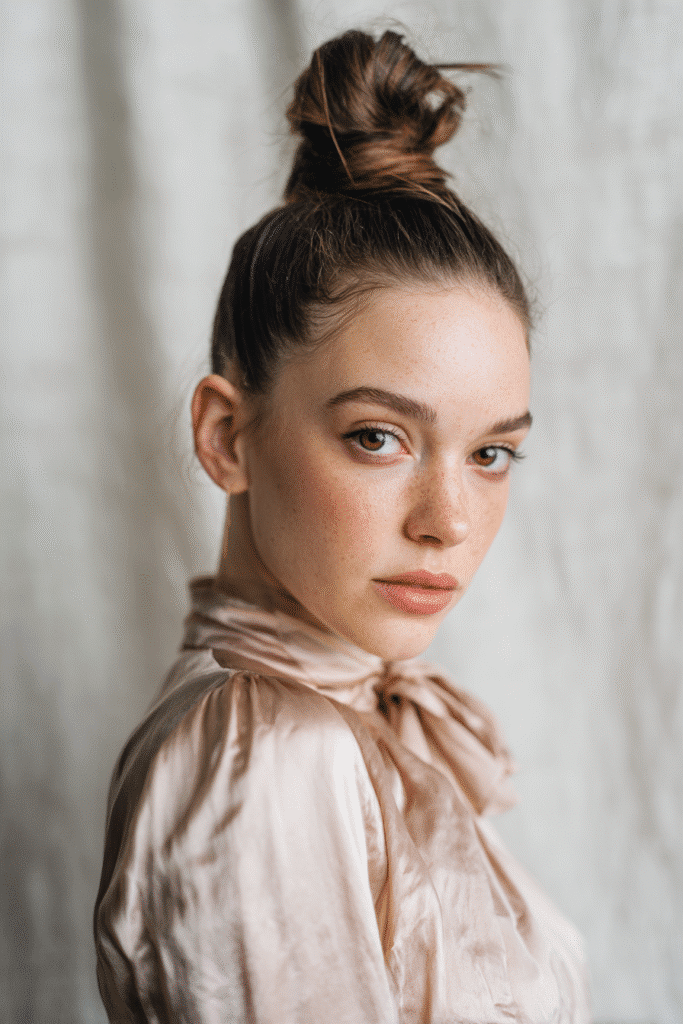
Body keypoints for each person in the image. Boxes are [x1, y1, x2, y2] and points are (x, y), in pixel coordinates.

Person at [94, 28, 591, 1024]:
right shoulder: (265, 754)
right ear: (228, 435)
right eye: (377, 436)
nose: (446, 520)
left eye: (490, 452)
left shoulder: (332, 724)